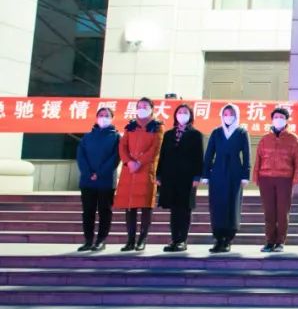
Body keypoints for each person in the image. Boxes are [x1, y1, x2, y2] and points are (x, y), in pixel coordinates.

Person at [115, 97, 164, 252]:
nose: (142, 108)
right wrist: (129, 162)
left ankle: (142, 239)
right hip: (129, 171)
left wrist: (139, 162)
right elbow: (122, 146)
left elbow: (155, 148)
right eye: (139, 106)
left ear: (152, 108)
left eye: (145, 106)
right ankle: (130, 240)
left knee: (145, 206)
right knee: (130, 206)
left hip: (146, 169)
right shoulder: (130, 126)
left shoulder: (157, 127)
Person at [202, 103, 251, 254]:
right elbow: (209, 154)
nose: (228, 117)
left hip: (235, 172)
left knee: (232, 204)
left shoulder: (242, 132)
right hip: (218, 172)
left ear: (236, 116)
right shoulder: (216, 132)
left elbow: (247, 155)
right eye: (225, 114)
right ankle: (218, 239)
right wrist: (205, 174)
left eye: (231, 114)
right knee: (217, 205)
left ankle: (228, 239)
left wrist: (246, 175)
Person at [252, 107, 298, 253]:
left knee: (282, 211)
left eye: (281, 117)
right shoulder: (265, 139)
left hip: (284, 179)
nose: (278, 119)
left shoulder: (293, 139)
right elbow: (258, 159)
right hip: (265, 178)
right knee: (269, 212)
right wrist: (256, 176)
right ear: (272, 119)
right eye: (276, 117)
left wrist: (296, 177)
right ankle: (269, 241)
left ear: (286, 120)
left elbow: (297, 160)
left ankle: (280, 241)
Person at [156, 104, 204, 253]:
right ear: (175, 115)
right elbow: (162, 156)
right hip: (170, 177)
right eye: (180, 112)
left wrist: (197, 176)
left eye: (185, 112)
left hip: (187, 178)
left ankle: (182, 240)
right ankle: (174, 239)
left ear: (190, 116)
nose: (182, 114)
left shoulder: (196, 135)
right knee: (174, 209)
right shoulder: (168, 134)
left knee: (185, 209)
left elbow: (199, 157)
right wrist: (159, 174)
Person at [75, 107, 120, 252]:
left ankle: (101, 240)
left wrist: (99, 173)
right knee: (88, 211)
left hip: (106, 180)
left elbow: (115, 158)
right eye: (101, 115)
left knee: (104, 211)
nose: (103, 118)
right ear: (96, 117)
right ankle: (88, 240)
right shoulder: (87, 137)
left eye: (107, 115)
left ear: (112, 118)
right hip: (87, 180)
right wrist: (88, 173)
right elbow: (81, 156)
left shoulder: (116, 137)